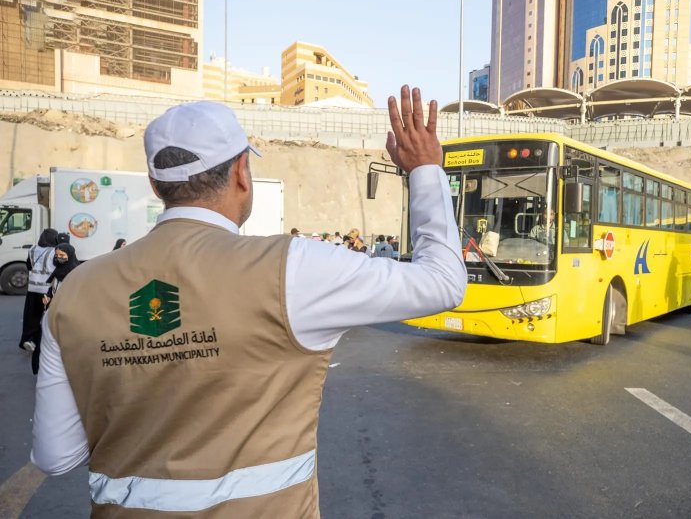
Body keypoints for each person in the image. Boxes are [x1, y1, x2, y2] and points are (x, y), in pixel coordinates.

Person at [31, 87, 466, 518]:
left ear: (155, 185)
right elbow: (442, 282)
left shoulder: (76, 291)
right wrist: (425, 168)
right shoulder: (293, 267)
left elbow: (56, 457)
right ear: (242, 171)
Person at [33, 243, 80, 375]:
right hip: (53, 311)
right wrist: (48, 296)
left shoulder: (75, 273)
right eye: (57, 255)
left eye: (62, 255)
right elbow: (52, 287)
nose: (58, 258)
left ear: (69, 256)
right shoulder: (58, 270)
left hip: (67, 315)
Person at [18, 228, 58, 352]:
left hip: (32, 288)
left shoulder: (32, 249)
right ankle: (44, 343)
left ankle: (28, 340)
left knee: (31, 316)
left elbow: (28, 266)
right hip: (46, 290)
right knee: (46, 317)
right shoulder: (54, 252)